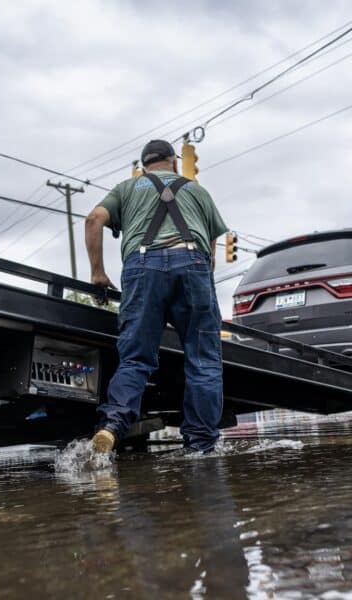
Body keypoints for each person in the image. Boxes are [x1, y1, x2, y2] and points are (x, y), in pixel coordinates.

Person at [84, 139, 228, 454]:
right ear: (174, 162)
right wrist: (203, 274)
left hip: (141, 266)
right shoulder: (196, 190)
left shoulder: (125, 189)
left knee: (135, 358)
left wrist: (97, 272)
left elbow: (93, 220)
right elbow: (213, 246)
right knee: (203, 360)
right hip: (191, 262)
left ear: (144, 165)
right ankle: (201, 447)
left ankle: (111, 427)